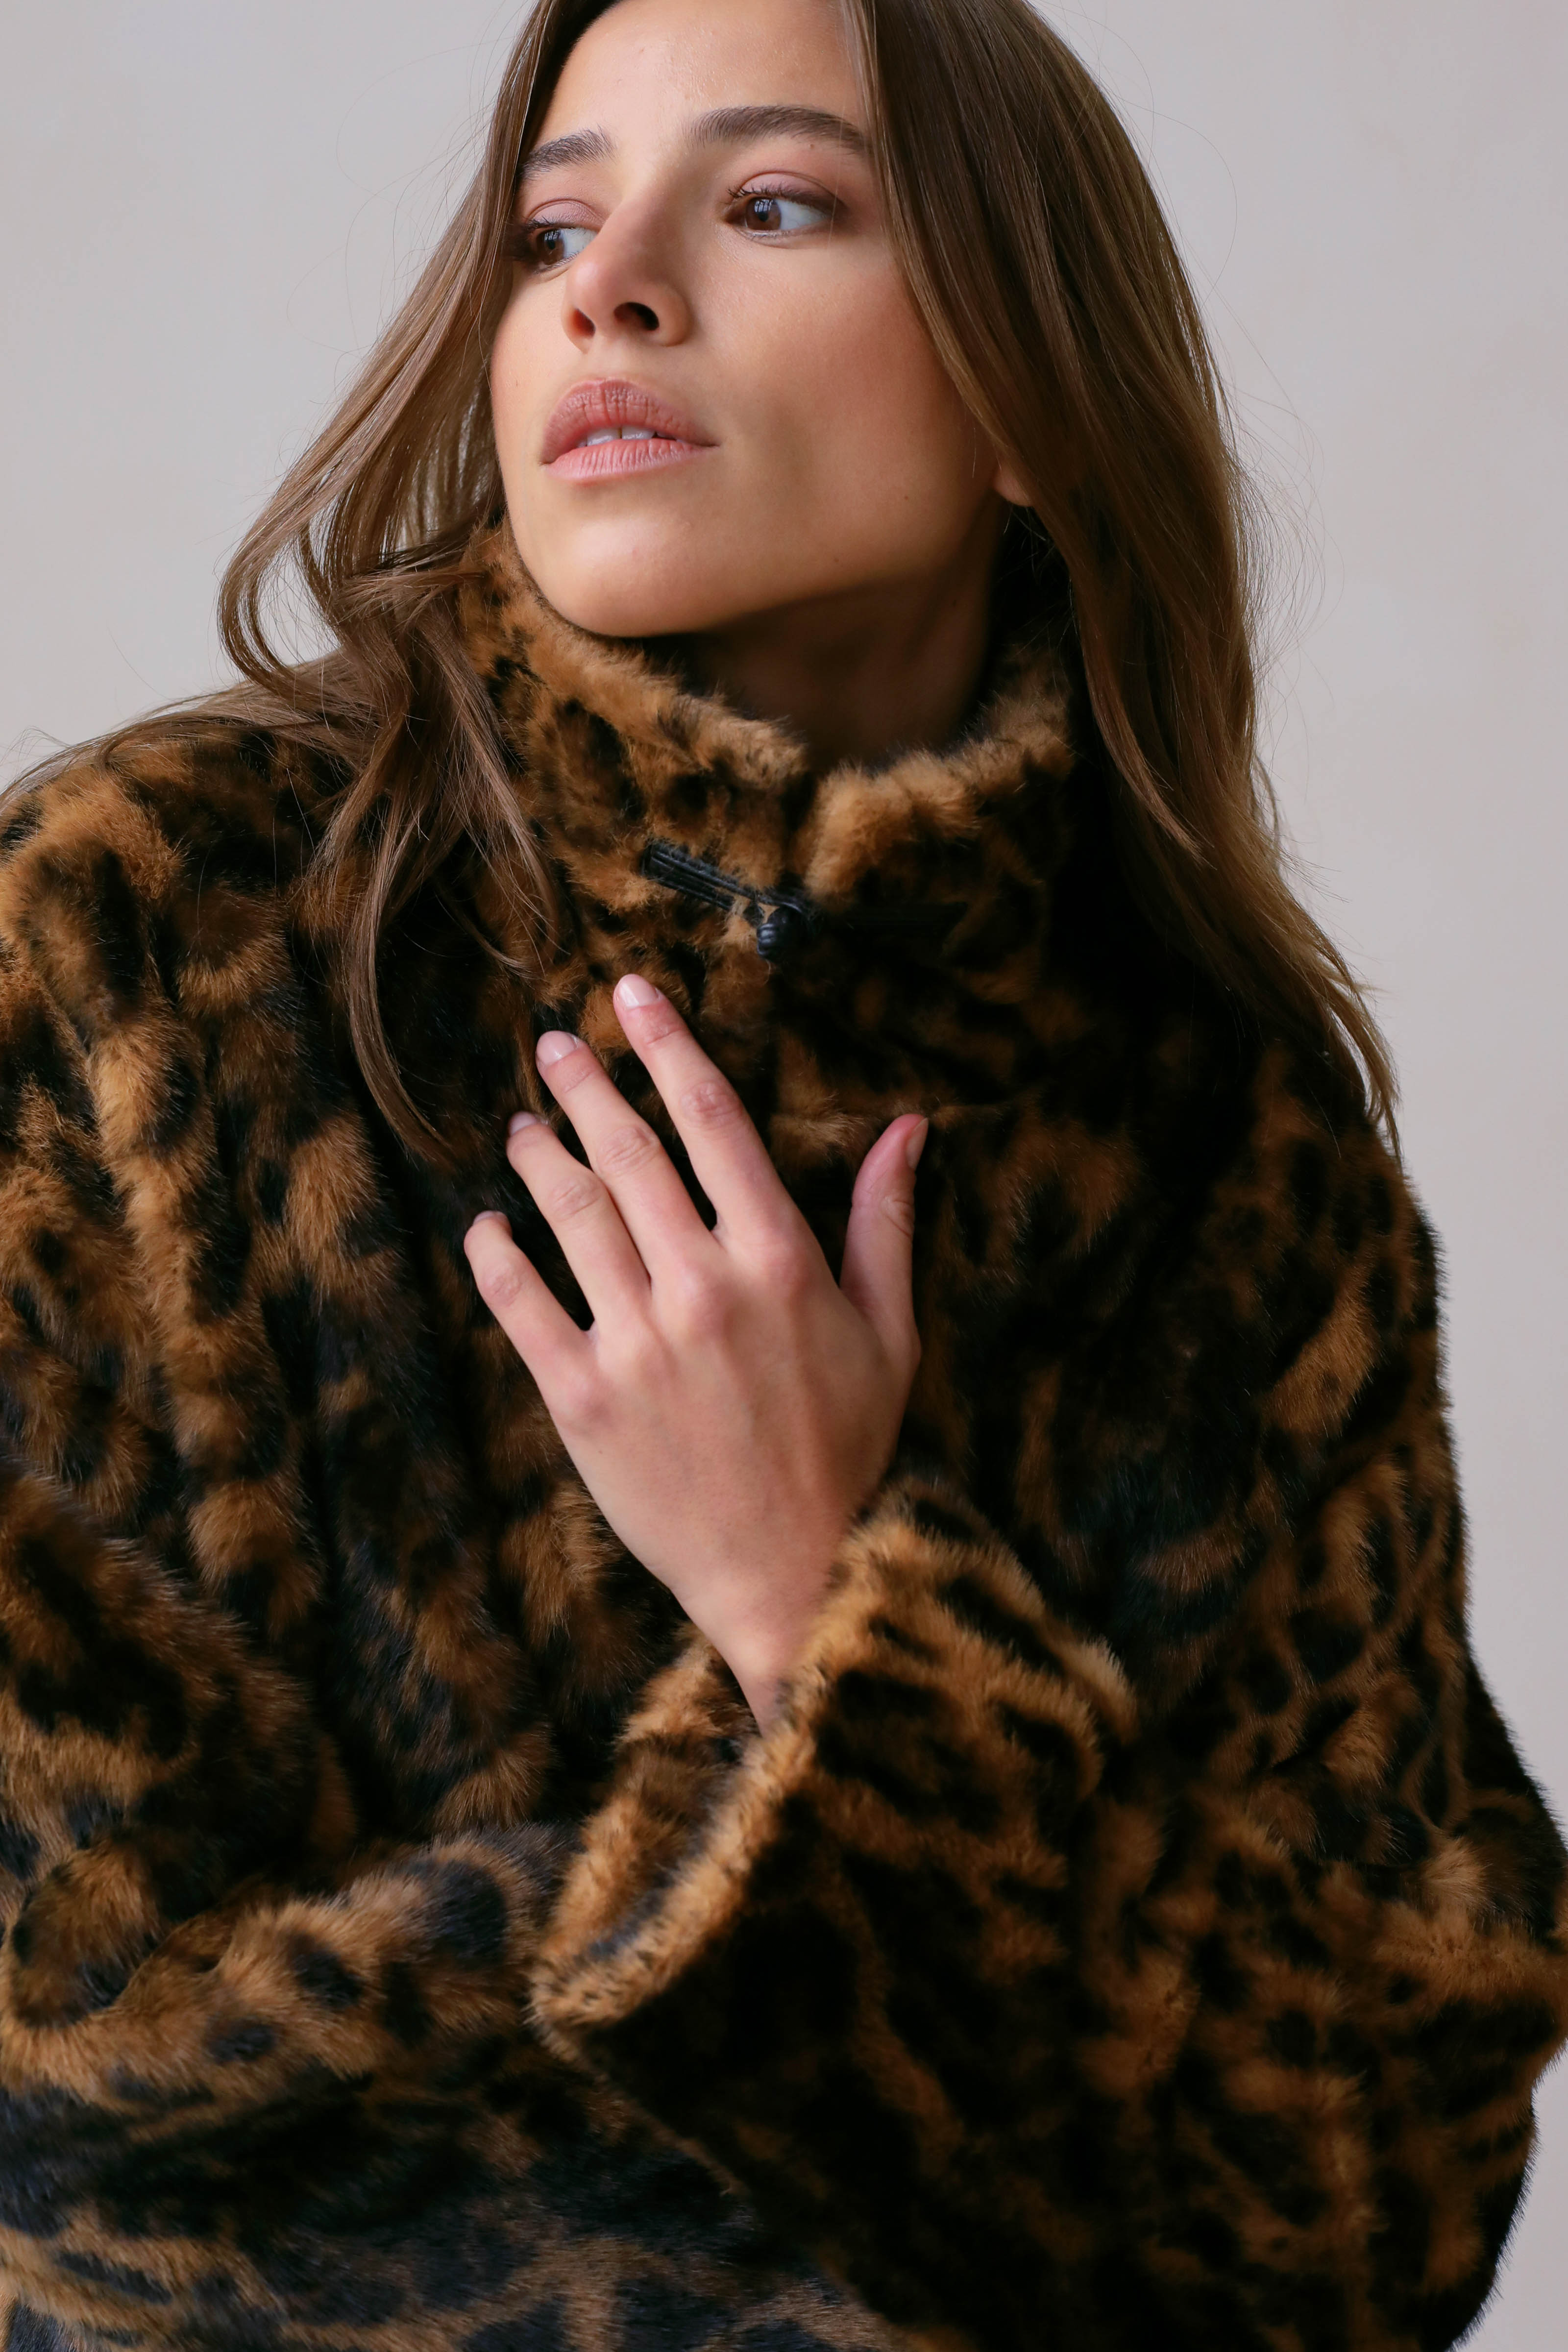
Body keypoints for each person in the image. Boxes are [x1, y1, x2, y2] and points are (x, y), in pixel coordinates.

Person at [0, 0, 1562, 2346]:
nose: (610, 288)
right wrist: (976, 2134)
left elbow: (1371, 2215)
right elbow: (77, 2111)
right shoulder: (132, 952)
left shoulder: (1227, 1157)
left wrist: (823, 1604)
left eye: (770, 202)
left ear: (1028, 398)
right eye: (551, 228)